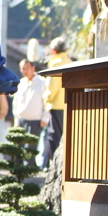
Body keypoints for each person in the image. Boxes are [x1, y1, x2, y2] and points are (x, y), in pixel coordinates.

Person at [42, 38, 72, 168]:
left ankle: (53, 165)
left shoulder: (55, 63)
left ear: (54, 50)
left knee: (54, 136)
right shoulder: (70, 61)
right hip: (69, 103)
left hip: (56, 104)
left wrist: (46, 98)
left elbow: (52, 87)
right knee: (66, 137)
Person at [13, 59, 49, 138]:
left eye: (27, 68)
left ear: (33, 68)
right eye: (23, 68)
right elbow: (16, 102)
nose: (25, 71)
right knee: (19, 147)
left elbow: (46, 101)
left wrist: (45, 118)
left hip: (35, 120)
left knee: (31, 148)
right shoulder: (20, 83)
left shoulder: (42, 82)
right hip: (21, 119)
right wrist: (16, 120)